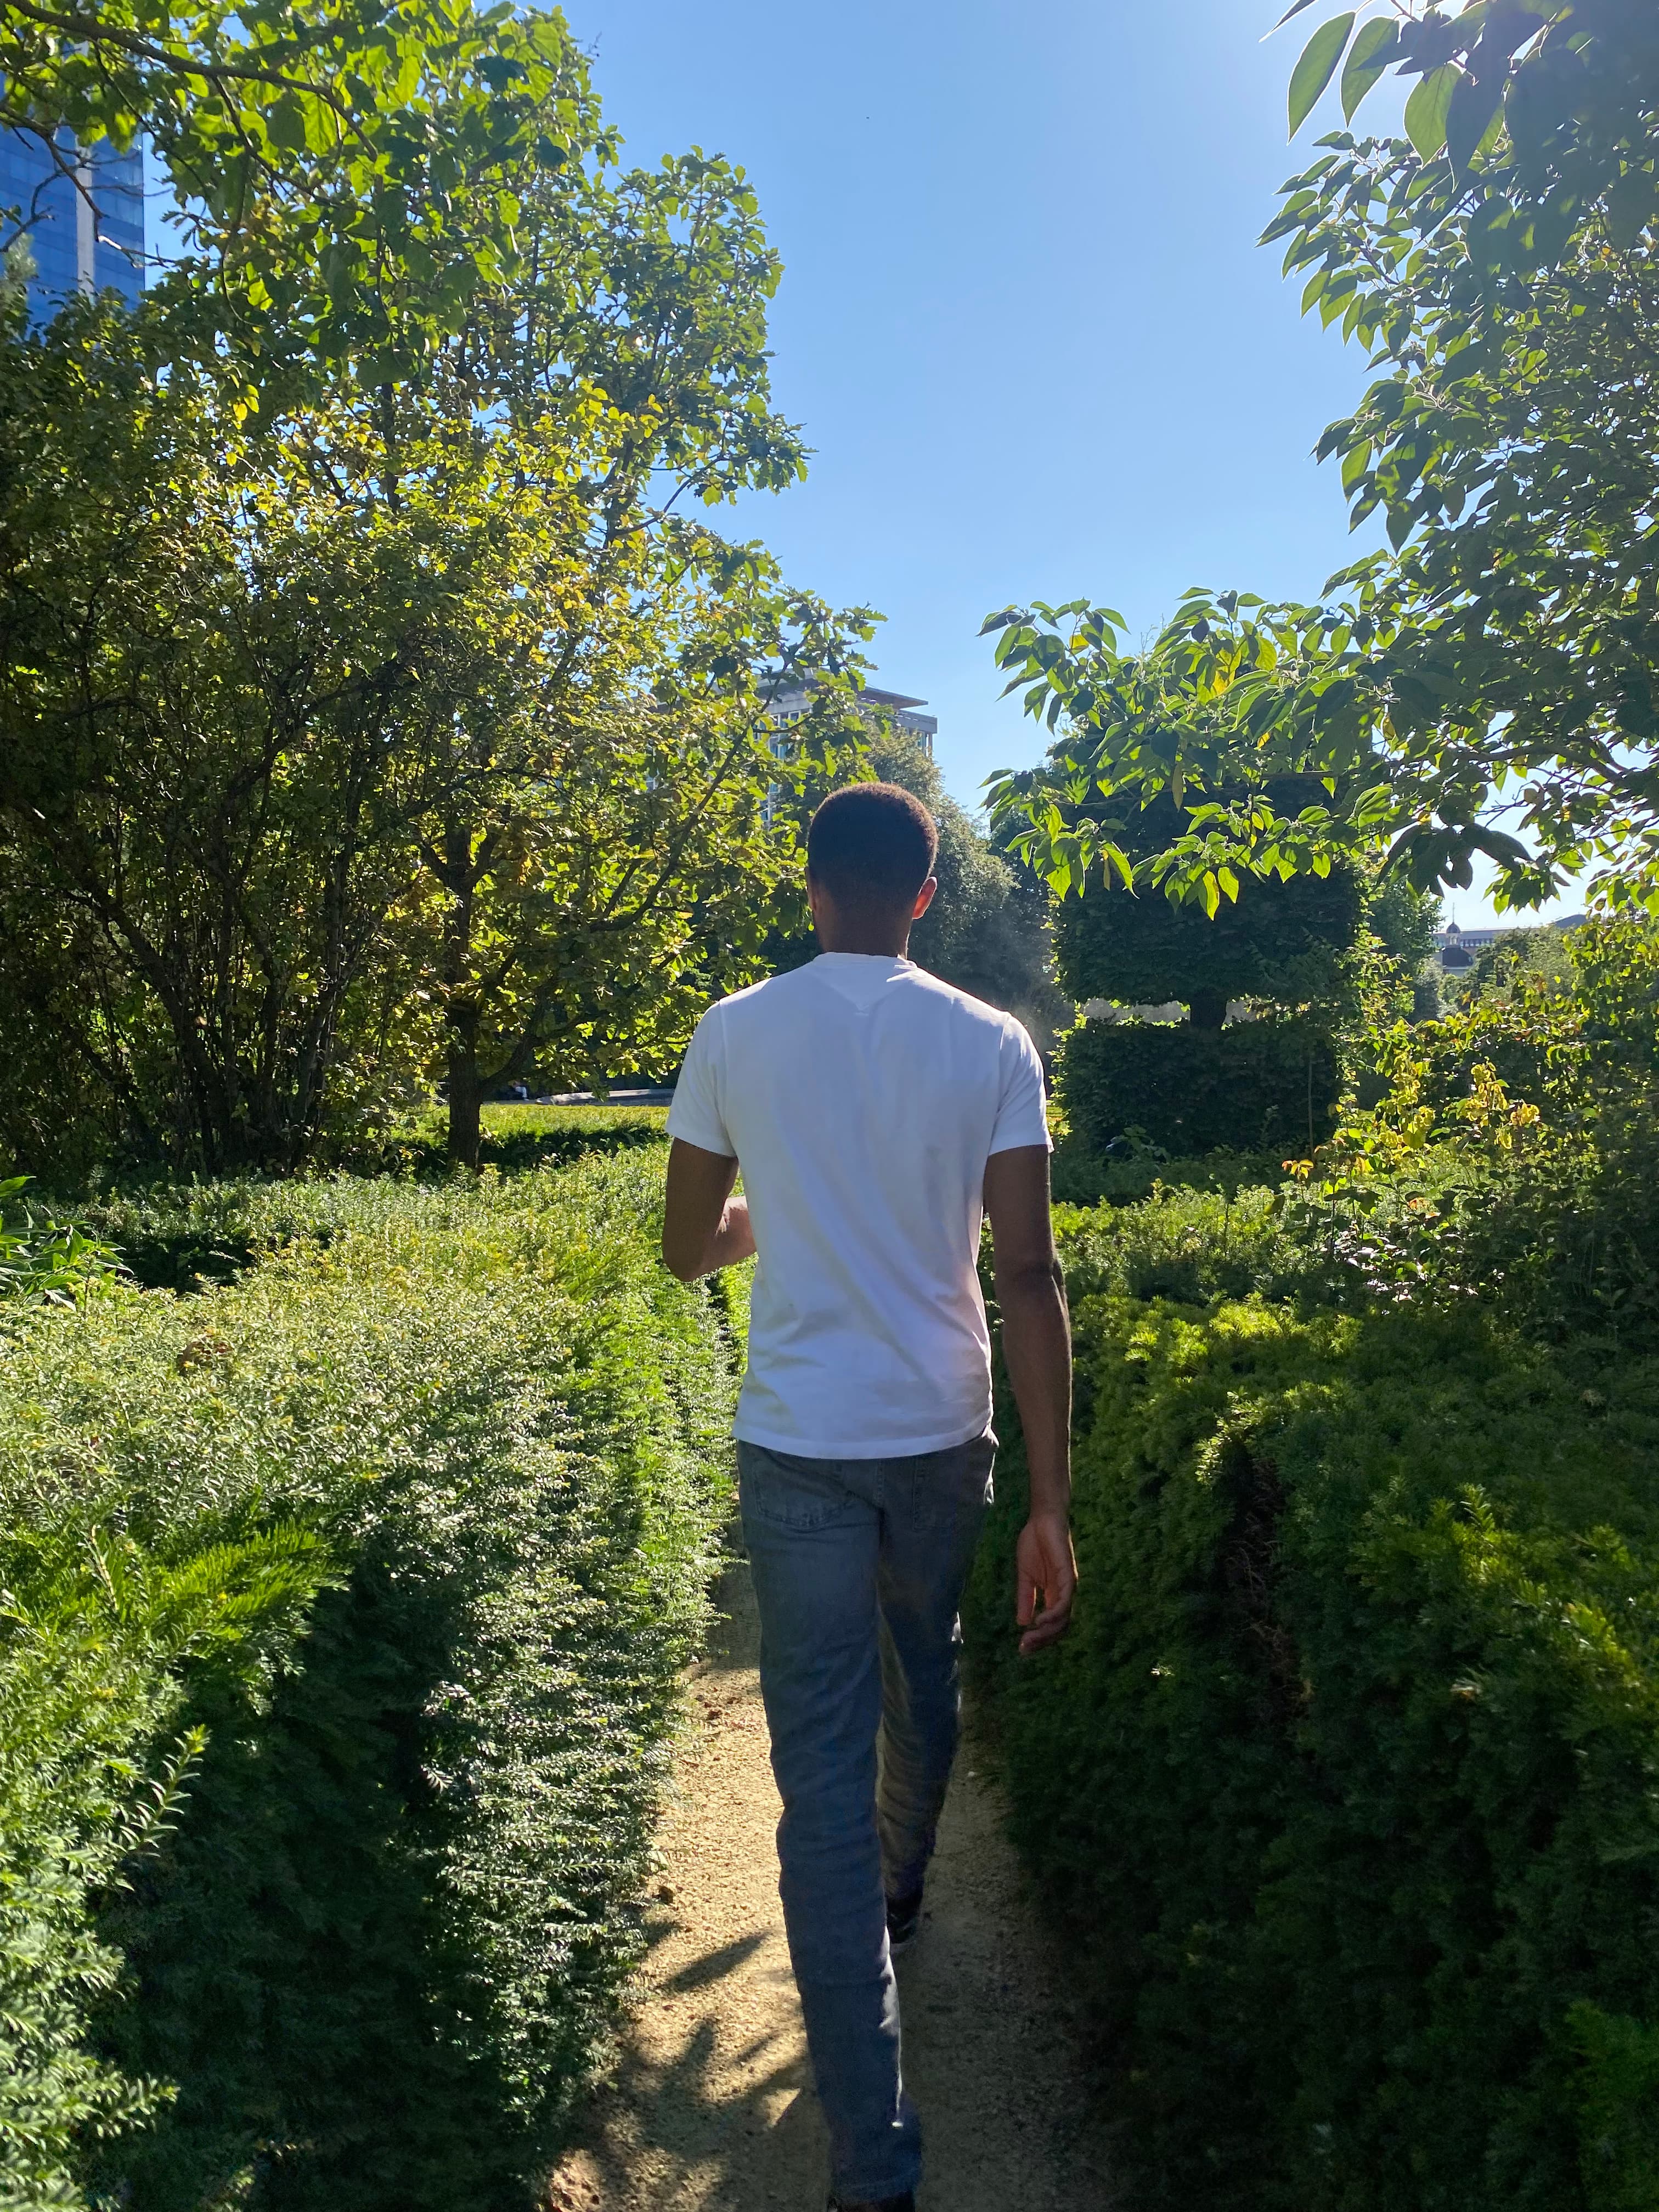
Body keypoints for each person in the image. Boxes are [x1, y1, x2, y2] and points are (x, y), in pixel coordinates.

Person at [661, 781, 1076, 2212]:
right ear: (924, 890)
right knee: (929, 1671)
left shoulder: (734, 1030)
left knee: (815, 1793)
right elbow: (1027, 1273)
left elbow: (684, 1248)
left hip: (797, 1448)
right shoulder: (992, 1042)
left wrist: (786, 1198)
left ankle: (874, 2168)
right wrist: (1052, 1505)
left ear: (811, 885)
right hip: (941, 1438)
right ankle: (908, 1877)